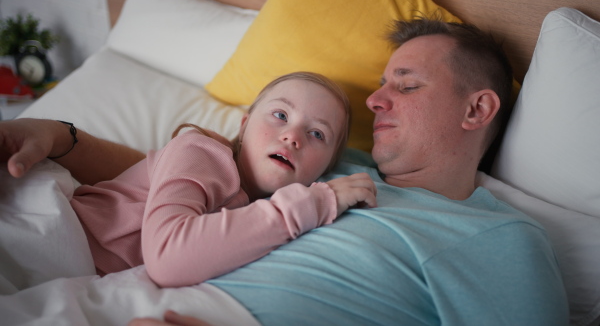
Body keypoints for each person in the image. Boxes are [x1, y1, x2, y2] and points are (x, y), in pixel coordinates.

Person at [0, 18, 568, 325]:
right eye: (380, 84)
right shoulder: (331, 168)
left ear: (477, 109)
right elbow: (182, 180)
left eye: (406, 85)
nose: (375, 100)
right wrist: (61, 137)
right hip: (120, 293)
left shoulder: (503, 242)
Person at [1, 71, 378, 288]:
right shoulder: (201, 152)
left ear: (326, 169)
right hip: (47, 230)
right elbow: (167, 258)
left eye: (317, 135)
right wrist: (314, 203)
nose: (292, 136)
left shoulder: (253, 213)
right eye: (280, 115)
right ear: (244, 126)